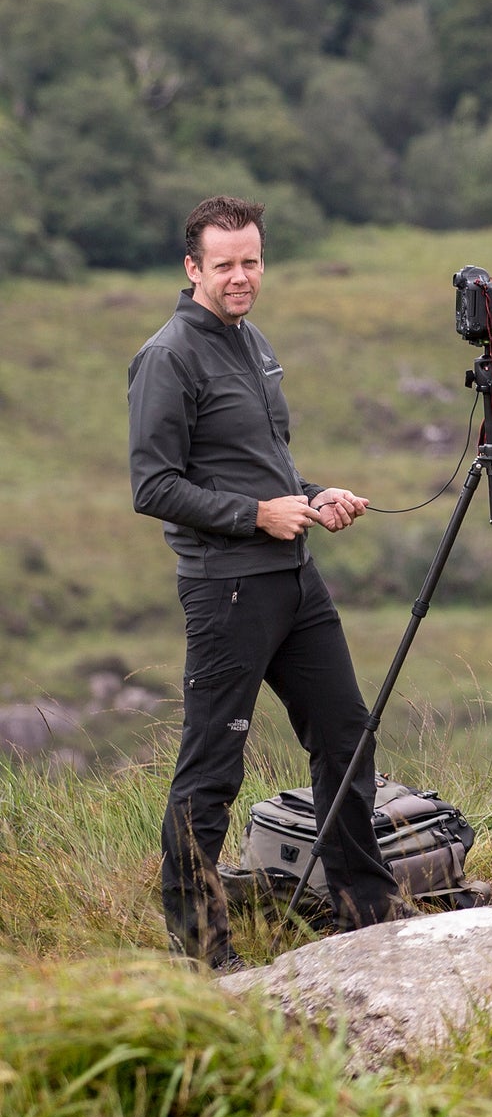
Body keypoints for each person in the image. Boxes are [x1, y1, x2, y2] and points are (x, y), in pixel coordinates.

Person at [127, 195, 404, 971]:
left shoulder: (252, 341)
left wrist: (313, 494)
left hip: (294, 578)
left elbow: (266, 468)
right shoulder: (167, 356)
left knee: (347, 734)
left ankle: (367, 911)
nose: (242, 276)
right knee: (212, 766)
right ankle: (202, 950)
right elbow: (153, 486)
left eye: (252, 260)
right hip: (229, 588)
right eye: (225, 265)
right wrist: (255, 514)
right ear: (193, 269)